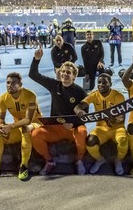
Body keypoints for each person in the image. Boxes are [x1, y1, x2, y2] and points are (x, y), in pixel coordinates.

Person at [29, 43, 88, 175]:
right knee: (36, 134)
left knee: (82, 133)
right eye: (63, 72)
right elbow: (33, 74)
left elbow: (85, 116)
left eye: (69, 72)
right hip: (56, 127)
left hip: (73, 127)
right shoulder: (54, 85)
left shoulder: (81, 93)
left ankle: (79, 161)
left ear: (74, 76)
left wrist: (74, 124)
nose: (65, 74)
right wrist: (36, 59)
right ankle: (49, 161)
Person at [0, 72, 42, 180]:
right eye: (8, 82)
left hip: (35, 124)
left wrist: (10, 126)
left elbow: (28, 120)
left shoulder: (30, 95)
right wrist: (0, 126)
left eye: (14, 83)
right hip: (17, 126)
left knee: (25, 128)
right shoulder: (3, 98)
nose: (10, 85)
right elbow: (1, 119)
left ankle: (24, 166)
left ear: (20, 84)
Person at [74, 74, 127, 175]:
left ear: (110, 84)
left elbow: (121, 119)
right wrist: (79, 112)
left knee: (123, 140)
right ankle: (100, 159)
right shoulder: (94, 94)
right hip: (101, 129)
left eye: (104, 82)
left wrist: (114, 119)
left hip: (117, 128)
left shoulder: (118, 96)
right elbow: (78, 107)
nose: (101, 85)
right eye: (99, 82)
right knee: (90, 141)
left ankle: (118, 160)